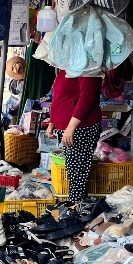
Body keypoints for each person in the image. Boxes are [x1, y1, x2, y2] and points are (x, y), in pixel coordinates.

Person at [46, 70, 102, 202]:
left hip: (81, 127)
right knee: (73, 171)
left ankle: (76, 207)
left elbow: (88, 97)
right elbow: (59, 97)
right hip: (69, 127)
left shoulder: (87, 68)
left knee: (78, 172)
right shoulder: (66, 68)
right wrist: (52, 122)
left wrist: (71, 127)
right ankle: (77, 205)